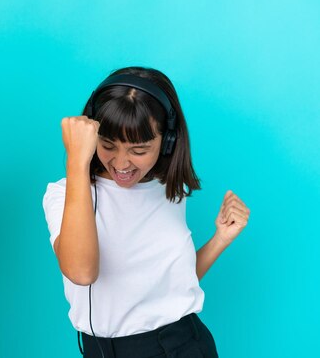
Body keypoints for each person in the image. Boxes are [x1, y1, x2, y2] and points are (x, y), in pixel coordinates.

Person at [42, 67, 250, 358]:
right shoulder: (65, 193)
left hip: (183, 345)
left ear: (167, 142)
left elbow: (169, 288)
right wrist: (77, 160)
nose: (121, 163)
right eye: (107, 145)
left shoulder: (168, 190)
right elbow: (81, 271)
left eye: (139, 150)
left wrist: (220, 240)